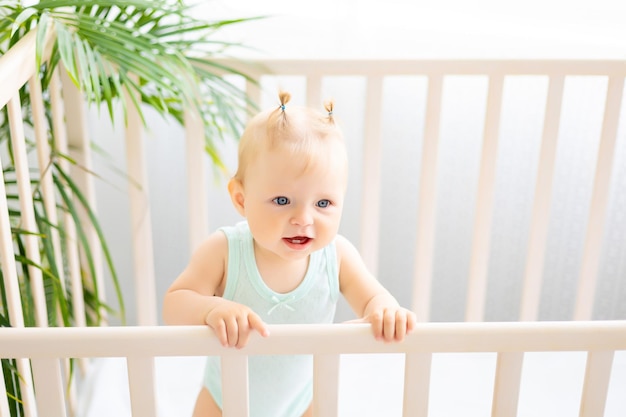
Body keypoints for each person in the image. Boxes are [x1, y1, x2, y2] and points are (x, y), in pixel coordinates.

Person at [162, 91, 417, 417]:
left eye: (323, 203)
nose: (304, 219)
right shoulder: (226, 250)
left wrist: (385, 311)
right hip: (223, 400)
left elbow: (374, 300)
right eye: (282, 201)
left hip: (302, 402)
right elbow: (174, 304)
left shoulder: (336, 257)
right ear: (241, 200)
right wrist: (211, 308)